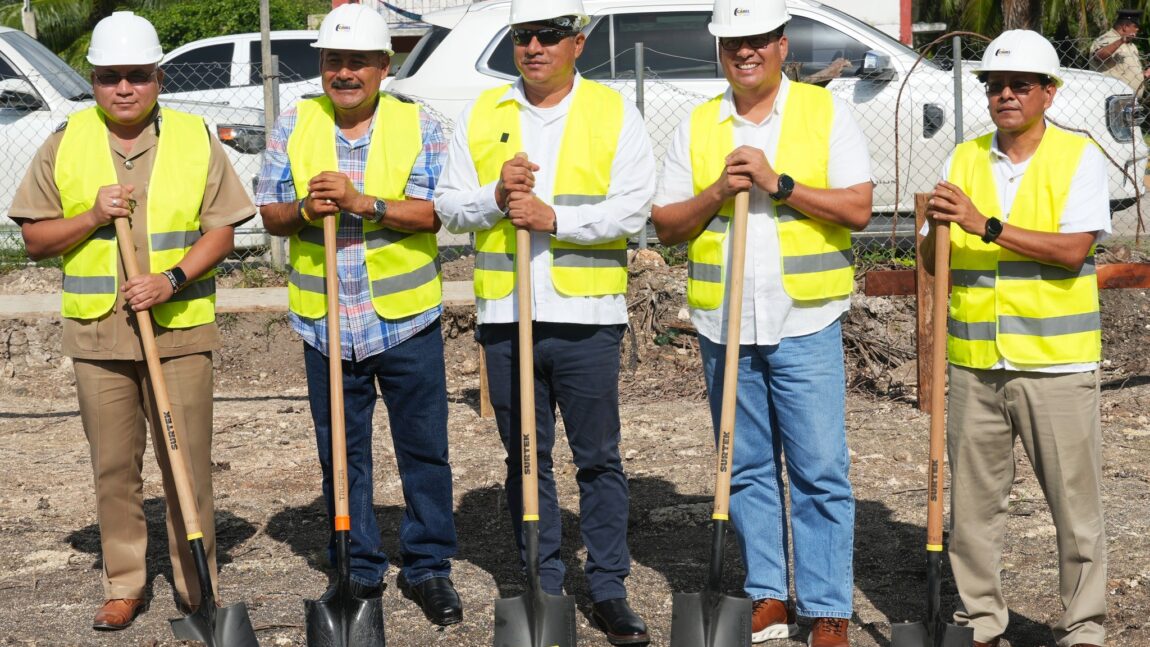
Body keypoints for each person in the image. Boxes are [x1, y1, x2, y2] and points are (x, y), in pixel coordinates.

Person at [8, 11, 253, 631]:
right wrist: (91, 216)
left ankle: (198, 587)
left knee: (187, 464)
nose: (124, 88)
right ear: (93, 80)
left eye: (137, 76)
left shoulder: (196, 137)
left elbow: (222, 228)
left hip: (178, 330)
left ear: (159, 79)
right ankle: (125, 582)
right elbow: (35, 238)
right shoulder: (66, 140)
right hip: (98, 335)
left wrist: (170, 280)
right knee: (114, 467)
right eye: (110, 76)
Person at [650, 0, 873, 644]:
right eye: (731, 42)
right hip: (725, 324)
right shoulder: (698, 125)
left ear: (781, 45)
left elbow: (857, 208)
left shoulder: (825, 112)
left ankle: (827, 606)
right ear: (719, 50)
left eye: (756, 40)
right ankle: (768, 595)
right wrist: (719, 192)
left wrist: (779, 185)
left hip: (804, 318)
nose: (744, 52)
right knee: (743, 467)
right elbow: (666, 226)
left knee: (820, 469)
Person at [433, 0, 655, 642]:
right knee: (525, 457)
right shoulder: (484, 113)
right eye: (522, 36)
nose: (533, 47)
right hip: (508, 319)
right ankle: (544, 582)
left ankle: (609, 586)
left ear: (577, 42)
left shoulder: (612, 112)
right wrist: (495, 198)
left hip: (586, 317)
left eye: (549, 36)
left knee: (599, 458)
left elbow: (634, 206)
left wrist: (557, 220)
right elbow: (449, 207)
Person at [255, 3, 461, 627]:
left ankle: (429, 567)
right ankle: (359, 566)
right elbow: (269, 213)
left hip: (405, 319)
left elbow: (435, 214)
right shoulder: (291, 124)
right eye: (334, 62)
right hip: (325, 322)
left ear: (383, 65)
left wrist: (362, 203)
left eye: (359, 63)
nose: (345, 73)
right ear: (322, 65)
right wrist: (303, 208)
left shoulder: (421, 124)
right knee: (342, 454)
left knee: (424, 450)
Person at [921, 29, 1109, 647]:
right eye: (994, 85)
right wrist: (935, 233)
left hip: (1055, 364)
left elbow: (1072, 250)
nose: (1005, 95)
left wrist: (985, 223)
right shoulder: (964, 157)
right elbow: (938, 257)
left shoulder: (1078, 158)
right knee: (973, 511)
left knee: (1074, 509)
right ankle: (980, 623)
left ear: (1048, 94)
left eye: (1019, 86)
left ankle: (1083, 627)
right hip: (976, 361)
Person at [1090, 9, 1150, 95]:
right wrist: (1121, 41)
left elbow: (1126, 72)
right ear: (1125, 27)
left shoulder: (1131, 45)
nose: (1137, 29)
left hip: (1130, 101)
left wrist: (1144, 74)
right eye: (1135, 26)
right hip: (1112, 99)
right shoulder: (1107, 39)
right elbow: (1098, 56)